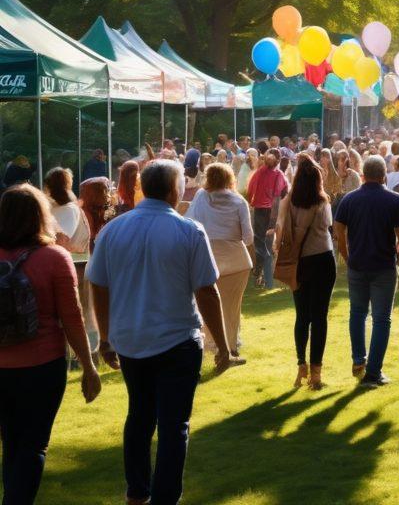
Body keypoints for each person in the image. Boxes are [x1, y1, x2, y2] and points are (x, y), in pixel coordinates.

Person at [87, 160, 232, 505]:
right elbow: (207, 291)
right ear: (173, 190)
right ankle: (163, 497)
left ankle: (137, 493)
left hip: (132, 340)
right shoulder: (188, 230)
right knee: (173, 424)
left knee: (140, 416)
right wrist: (223, 345)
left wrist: (106, 337)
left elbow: (98, 285)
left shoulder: (113, 230)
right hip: (177, 340)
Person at [0, 185, 101, 504]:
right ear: (40, 216)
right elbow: (72, 318)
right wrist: (88, 366)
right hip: (42, 365)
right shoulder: (55, 258)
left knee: (11, 442)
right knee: (33, 445)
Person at [333, 155, 399, 388]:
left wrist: (347, 256)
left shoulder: (350, 199)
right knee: (381, 318)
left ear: (364, 175)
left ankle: (359, 359)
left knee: (357, 313)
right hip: (383, 266)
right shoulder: (394, 199)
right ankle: (374, 371)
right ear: (384, 175)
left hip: (358, 264)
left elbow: (338, 231)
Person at [273, 154, 336, 390]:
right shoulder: (322, 202)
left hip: (298, 262)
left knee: (302, 316)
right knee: (319, 317)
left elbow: (280, 229)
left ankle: (302, 365)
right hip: (321, 258)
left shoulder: (288, 202)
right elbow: (327, 226)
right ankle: (316, 373)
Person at [184, 163, 253, 363]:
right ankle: (230, 347)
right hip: (236, 261)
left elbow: (189, 223)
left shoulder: (200, 197)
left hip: (207, 259)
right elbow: (248, 238)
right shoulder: (239, 201)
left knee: (207, 305)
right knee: (232, 307)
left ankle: (214, 346)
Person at [44, 168, 97, 361]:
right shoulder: (55, 208)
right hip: (59, 267)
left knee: (76, 314)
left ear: (49, 186)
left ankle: (81, 357)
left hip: (74, 268)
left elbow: (61, 239)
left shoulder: (68, 209)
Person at [246, 149, 287, 288]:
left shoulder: (259, 172)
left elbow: (250, 190)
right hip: (270, 212)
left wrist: (252, 202)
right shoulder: (278, 174)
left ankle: (260, 275)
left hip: (260, 211)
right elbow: (280, 195)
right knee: (266, 245)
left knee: (260, 244)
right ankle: (266, 280)